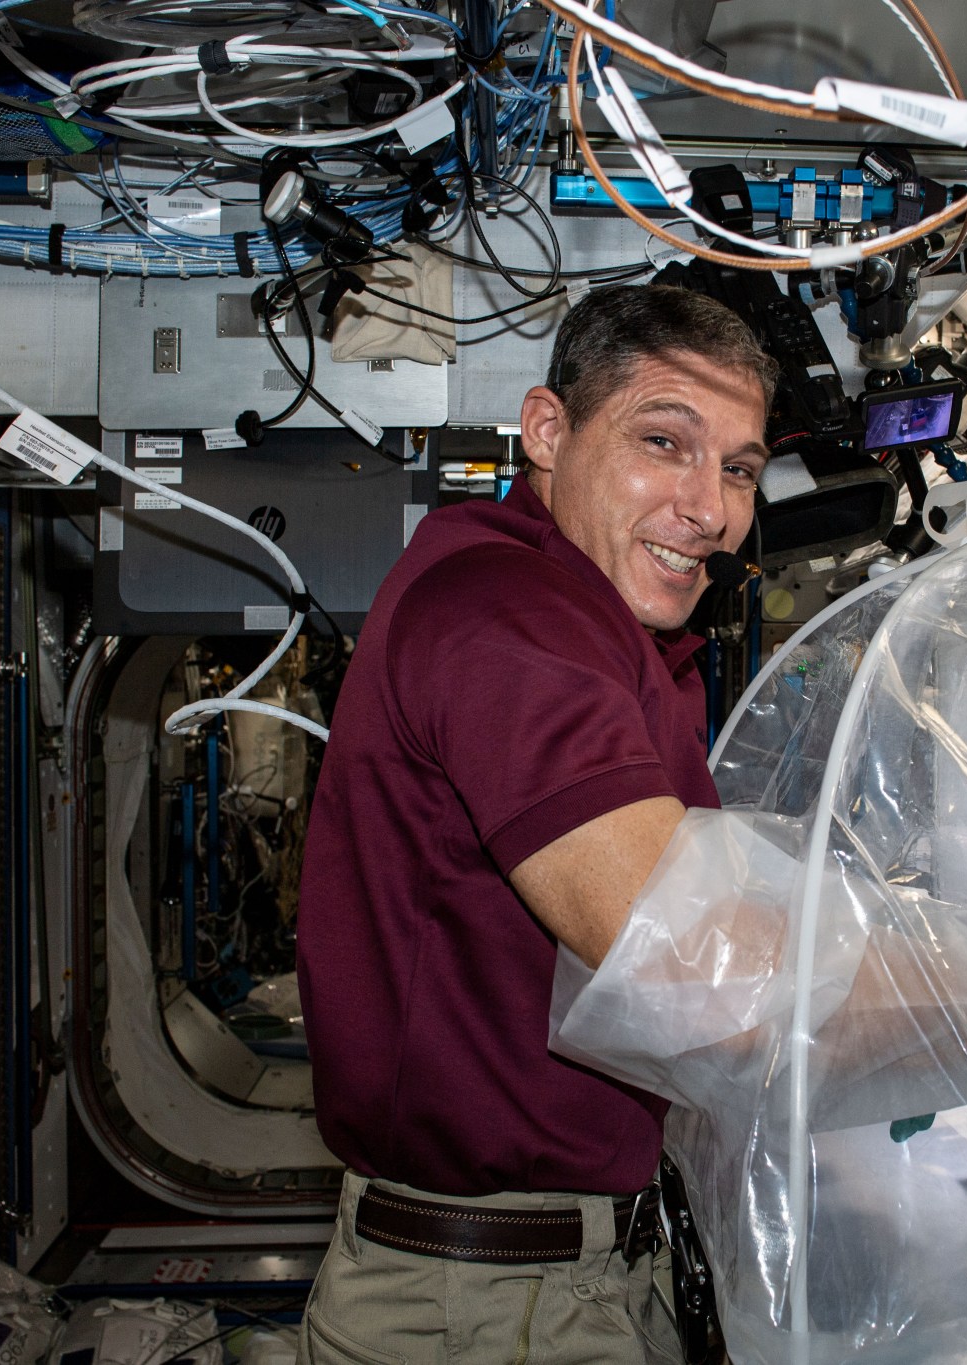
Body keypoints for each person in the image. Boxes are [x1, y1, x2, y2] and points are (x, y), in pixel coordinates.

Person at [294, 284, 779, 1365]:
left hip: (561, 1278)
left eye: (738, 468)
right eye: (665, 442)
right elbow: (689, 968)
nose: (710, 508)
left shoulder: (598, 630)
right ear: (547, 433)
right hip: (488, 1311)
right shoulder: (507, 618)